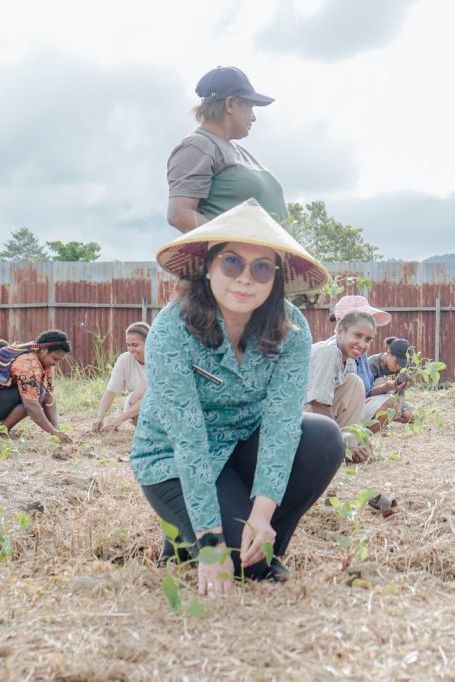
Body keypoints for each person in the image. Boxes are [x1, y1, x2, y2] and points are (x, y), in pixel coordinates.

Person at [130, 199, 341, 594]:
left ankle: (261, 543)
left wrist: (262, 514)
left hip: (242, 444)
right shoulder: (171, 330)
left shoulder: (291, 329)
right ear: (208, 267)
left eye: (261, 267)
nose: (245, 278)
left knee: (323, 437)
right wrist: (210, 540)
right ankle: (193, 534)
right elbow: (187, 439)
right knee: (234, 563)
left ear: (275, 278)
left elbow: (281, 425)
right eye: (231, 263)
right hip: (174, 458)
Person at [166, 66, 286, 233]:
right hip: (243, 258)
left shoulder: (236, 151)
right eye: (250, 107)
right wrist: (236, 248)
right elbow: (179, 215)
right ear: (230, 104)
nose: (254, 117)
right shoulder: (198, 146)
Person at [305, 305, 388, 462]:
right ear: (340, 330)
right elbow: (318, 403)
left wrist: (360, 440)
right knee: (354, 382)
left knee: (354, 383)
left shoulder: (349, 362)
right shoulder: (328, 352)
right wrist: (340, 442)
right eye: (357, 335)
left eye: (368, 340)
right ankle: (342, 449)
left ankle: (350, 448)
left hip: (312, 419)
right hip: (293, 418)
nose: (362, 344)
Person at [0, 330, 73, 443]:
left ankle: (2, 428)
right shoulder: (27, 363)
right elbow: (31, 406)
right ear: (42, 349)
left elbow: (49, 396)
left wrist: (56, 428)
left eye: (59, 360)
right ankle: (2, 431)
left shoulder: (44, 363)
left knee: (40, 392)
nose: (56, 363)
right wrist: (53, 432)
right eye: (54, 359)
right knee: (35, 393)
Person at [92, 322, 150, 432]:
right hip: (133, 406)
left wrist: (120, 419)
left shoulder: (159, 360)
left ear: (149, 343)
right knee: (139, 393)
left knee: (146, 393)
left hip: (157, 405)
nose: (130, 349)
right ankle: (143, 430)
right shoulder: (124, 359)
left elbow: (154, 396)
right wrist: (99, 417)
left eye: (135, 345)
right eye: (128, 345)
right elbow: (111, 391)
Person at [366, 336, 416, 425]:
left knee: (413, 414)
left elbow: (401, 392)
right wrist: (386, 387)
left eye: (402, 364)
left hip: (393, 403)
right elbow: (365, 393)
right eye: (396, 362)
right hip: (370, 403)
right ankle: (378, 420)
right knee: (382, 381)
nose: (398, 367)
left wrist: (399, 409)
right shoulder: (372, 363)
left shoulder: (401, 368)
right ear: (388, 353)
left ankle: (389, 417)